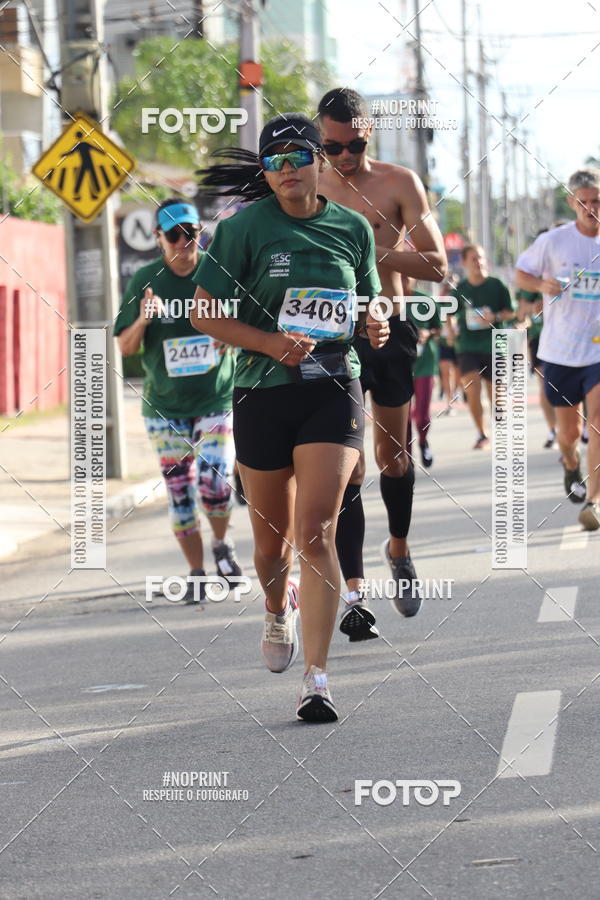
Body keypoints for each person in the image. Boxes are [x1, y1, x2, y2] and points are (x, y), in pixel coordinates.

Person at [190, 113, 389, 722]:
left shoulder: (351, 227)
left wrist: (374, 324)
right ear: (265, 172)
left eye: (299, 156)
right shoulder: (242, 231)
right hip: (263, 391)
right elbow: (204, 314)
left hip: (333, 386)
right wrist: (268, 342)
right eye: (274, 161)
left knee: (316, 532)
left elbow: (367, 305)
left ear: (318, 161)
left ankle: (317, 678)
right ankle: (277, 609)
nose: (288, 170)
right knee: (272, 546)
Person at [317, 88, 447, 630]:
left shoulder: (398, 183)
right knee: (346, 466)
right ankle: (354, 595)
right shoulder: (306, 182)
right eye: (334, 146)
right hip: (330, 336)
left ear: (369, 131)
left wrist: (367, 247)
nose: (345, 157)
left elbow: (436, 264)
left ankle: (398, 547)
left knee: (393, 456)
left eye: (356, 144)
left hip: (390, 328)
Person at [114, 199, 241, 604]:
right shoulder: (146, 281)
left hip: (215, 399)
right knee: (181, 497)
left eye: (192, 233)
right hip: (164, 409)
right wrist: (144, 318)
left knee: (215, 484)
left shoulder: (217, 272)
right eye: (174, 234)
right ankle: (197, 573)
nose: (185, 241)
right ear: (158, 239)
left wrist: (230, 332)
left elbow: (250, 321)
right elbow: (125, 344)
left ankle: (222, 545)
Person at [515, 167, 600, 530]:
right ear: (572, 203)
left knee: (596, 425)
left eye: (596, 201)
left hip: (597, 351)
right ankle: (570, 463)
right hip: (560, 352)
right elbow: (520, 273)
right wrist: (541, 284)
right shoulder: (555, 241)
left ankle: (594, 502)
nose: (591, 208)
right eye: (583, 202)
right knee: (568, 436)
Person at [450, 245, 516, 449]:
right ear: (464, 263)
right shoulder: (460, 290)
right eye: (473, 259)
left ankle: (499, 410)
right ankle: (482, 433)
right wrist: (452, 332)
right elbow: (449, 313)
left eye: (481, 258)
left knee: (496, 394)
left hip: (494, 345)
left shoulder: (497, 285)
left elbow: (511, 312)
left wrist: (494, 317)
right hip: (467, 346)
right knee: (473, 389)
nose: (478, 263)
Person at [405, 278, 442, 468]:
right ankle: (407, 455)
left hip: (424, 363)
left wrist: (428, 334)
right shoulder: (387, 301)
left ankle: (423, 441)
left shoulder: (425, 300)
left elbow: (438, 328)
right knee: (402, 415)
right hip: (400, 365)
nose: (404, 279)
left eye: (407, 275)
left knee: (422, 415)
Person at [515, 285, 557, 449]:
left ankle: (580, 427)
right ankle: (553, 430)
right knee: (545, 384)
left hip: (562, 337)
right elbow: (521, 317)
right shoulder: (526, 283)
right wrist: (528, 310)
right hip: (538, 339)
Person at [438, 275, 461, 415]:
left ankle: (456, 391)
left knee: (458, 374)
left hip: (458, 342)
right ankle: (449, 402)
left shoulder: (460, 300)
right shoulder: (439, 302)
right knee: (446, 373)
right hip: (444, 342)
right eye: (448, 283)